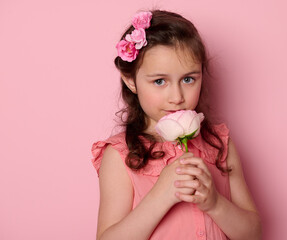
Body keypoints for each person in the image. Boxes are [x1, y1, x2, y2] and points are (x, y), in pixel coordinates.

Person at [91, 9, 262, 240]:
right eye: (160, 81)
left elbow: (253, 234)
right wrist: (161, 195)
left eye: (188, 79)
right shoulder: (121, 156)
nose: (177, 96)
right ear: (131, 80)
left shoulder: (220, 145)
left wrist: (215, 204)